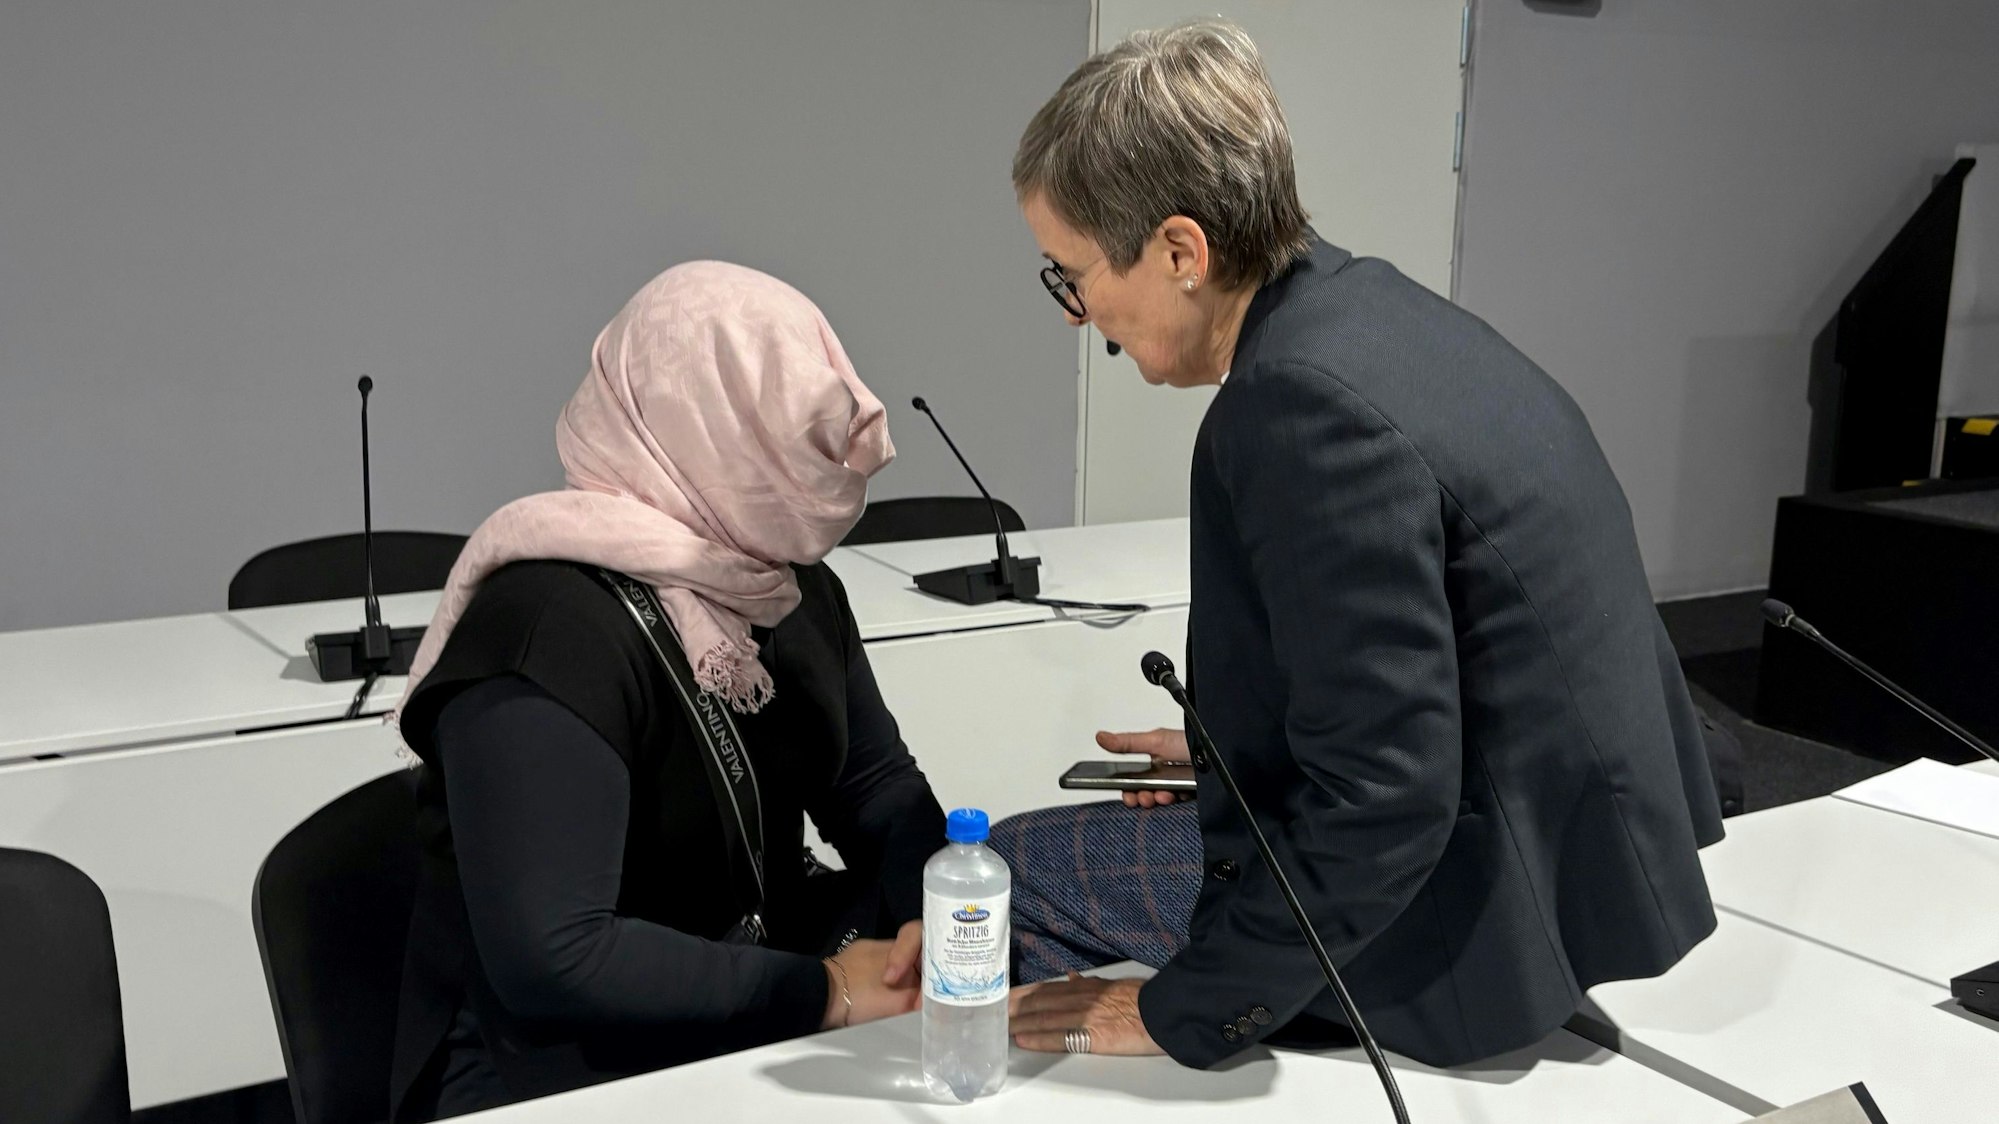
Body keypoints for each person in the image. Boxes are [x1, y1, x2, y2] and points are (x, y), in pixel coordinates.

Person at [997, 20, 1725, 1069]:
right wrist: (1238, 745)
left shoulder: (1293, 408)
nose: (1076, 314)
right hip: (1574, 860)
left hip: (1467, 925)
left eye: (1069, 274)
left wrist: (1179, 1012)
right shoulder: (1381, 314)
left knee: (1010, 866)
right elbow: (1447, 651)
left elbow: (1384, 793)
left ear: (1177, 251)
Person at [385, 262, 945, 1119]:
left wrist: (923, 923)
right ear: (695, 423)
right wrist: (828, 990)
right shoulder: (542, 627)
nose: (823, 457)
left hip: (759, 991)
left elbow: (875, 787)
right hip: (563, 1060)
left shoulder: (786, 585)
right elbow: (556, 960)